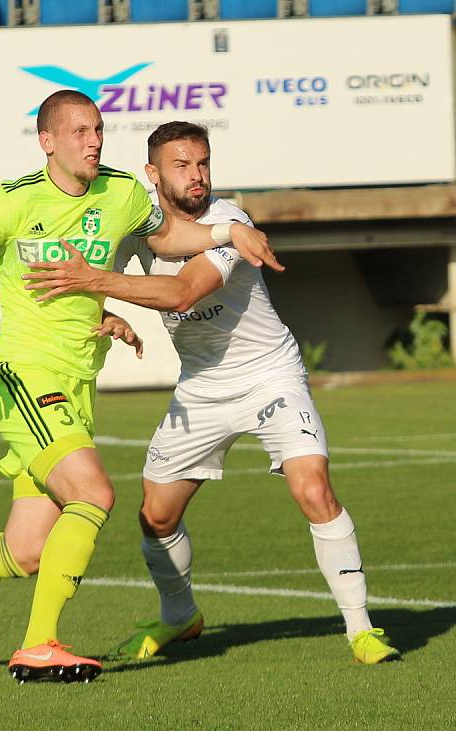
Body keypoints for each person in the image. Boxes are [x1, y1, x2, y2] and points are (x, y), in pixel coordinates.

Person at [0, 93, 282, 684]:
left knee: (21, 553)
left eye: (98, 129)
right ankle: (39, 644)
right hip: (24, 377)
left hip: (77, 385)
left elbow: (167, 239)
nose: (92, 141)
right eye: (78, 131)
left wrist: (228, 231)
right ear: (48, 141)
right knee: (95, 494)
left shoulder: (122, 192)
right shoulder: (17, 199)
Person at [22, 120, 399, 665]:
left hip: (270, 374)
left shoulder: (229, 221)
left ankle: (361, 629)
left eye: (203, 163)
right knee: (156, 516)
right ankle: (181, 617)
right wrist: (104, 311)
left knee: (312, 487)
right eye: (181, 166)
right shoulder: (136, 226)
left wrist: (96, 284)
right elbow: (87, 277)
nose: (196, 176)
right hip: (201, 389)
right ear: (153, 174)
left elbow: (181, 293)